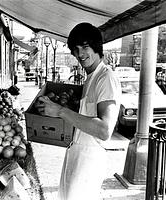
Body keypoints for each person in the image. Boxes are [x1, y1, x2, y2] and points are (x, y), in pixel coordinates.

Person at [35, 22, 121, 200]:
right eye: (75, 49)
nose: (80, 54)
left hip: (89, 160)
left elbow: (104, 130)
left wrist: (60, 111)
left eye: (85, 46)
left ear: (96, 46)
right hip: (75, 154)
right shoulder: (91, 78)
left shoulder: (106, 78)